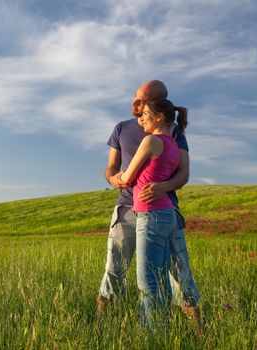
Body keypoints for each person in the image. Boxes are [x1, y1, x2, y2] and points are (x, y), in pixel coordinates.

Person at [96, 81, 201, 333]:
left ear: (158, 105)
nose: (135, 104)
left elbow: (183, 174)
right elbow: (111, 168)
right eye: (136, 98)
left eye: (142, 102)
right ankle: (98, 327)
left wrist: (163, 188)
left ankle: (199, 334)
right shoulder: (121, 128)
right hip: (127, 210)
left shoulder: (174, 132)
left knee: (178, 272)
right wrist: (114, 180)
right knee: (114, 269)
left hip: (162, 210)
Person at [119, 98, 186, 329]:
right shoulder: (173, 146)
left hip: (150, 215)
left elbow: (127, 177)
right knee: (161, 281)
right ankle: (163, 329)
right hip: (166, 214)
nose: (141, 118)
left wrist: (118, 178)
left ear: (159, 116)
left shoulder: (151, 141)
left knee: (147, 282)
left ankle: (151, 335)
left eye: (146, 113)